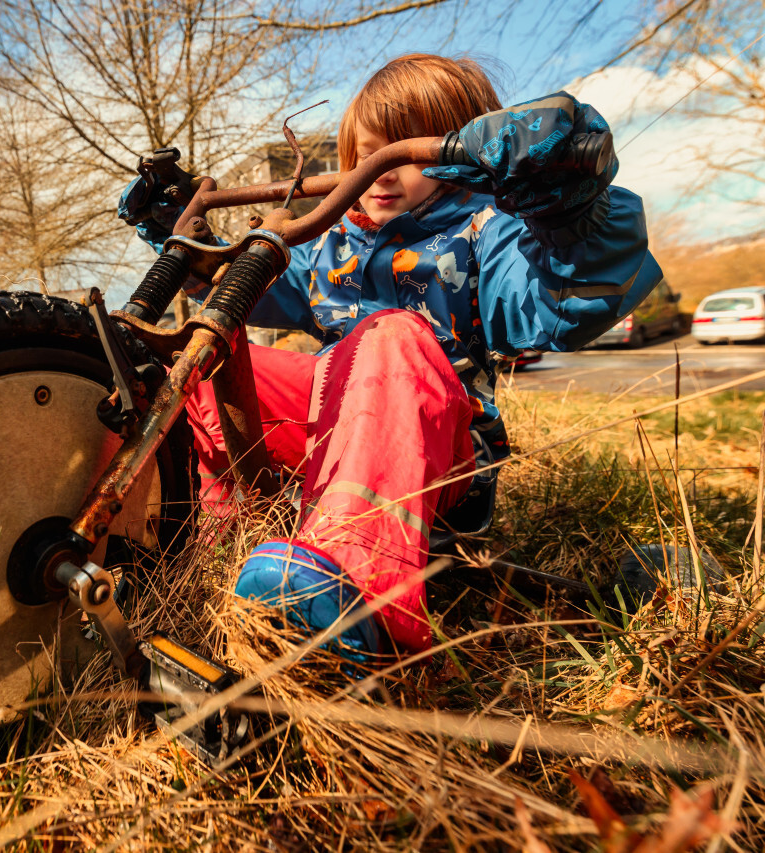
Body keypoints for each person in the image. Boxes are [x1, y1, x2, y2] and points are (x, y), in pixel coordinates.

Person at [118, 54, 663, 660]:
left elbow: (565, 295)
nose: (380, 173)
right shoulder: (334, 241)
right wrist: (194, 241)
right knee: (197, 366)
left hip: (444, 456)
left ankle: (362, 589)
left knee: (389, 333)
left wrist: (567, 213)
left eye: (408, 153)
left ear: (467, 156)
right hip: (333, 437)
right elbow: (262, 287)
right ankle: (207, 543)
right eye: (366, 154)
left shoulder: (489, 232)